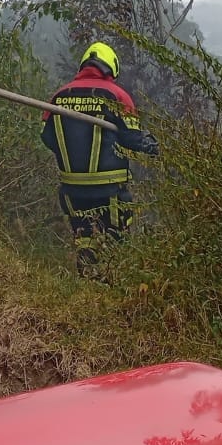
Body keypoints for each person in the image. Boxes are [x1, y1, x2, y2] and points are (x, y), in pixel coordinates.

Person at [41, 42, 159, 275]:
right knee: (115, 241)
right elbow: (133, 139)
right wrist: (155, 146)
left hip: (72, 191)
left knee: (85, 239)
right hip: (111, 192)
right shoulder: (116, 96)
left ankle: (87, 285)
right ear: (111, 68)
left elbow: (47, 137)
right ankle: (112, 293)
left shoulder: (58, 97)